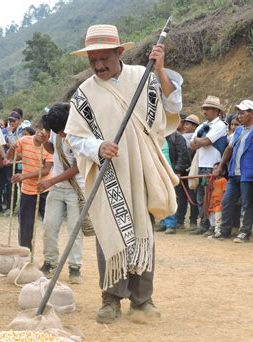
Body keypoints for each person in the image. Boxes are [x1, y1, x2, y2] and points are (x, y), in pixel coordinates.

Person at [65, 24, 182, 324]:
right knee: (110, 232)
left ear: (120, 52)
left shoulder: (144, 77)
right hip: (108, 173)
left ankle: (143, 300)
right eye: (93, 61)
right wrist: (97, 146)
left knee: (142, 232)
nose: (99, 66)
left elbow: (173, 105)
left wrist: (161, 70)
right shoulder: (84, 93)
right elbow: (75, 137)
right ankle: (111, 300)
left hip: (142, 168)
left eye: (105, 58)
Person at [36, 103, 85, 284]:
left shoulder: (81, 135)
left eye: (63, 131)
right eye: (58, 131)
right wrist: (45, 142)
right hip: (57, 188)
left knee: (75, 230)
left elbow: (78, 167)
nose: (61, 134)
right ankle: (49, 262)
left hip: (76, 189)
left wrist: (51, 181)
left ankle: (75, 267)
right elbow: (54, 150)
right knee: (49, 226)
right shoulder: (57, 129)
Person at [215, 99, 253, 243]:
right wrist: (221, 166)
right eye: (238, 113)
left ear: (252, 114)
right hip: (234, 173)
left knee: (247, 204)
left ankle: (244, 233)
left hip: (249, 174)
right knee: (226, 201)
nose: (239, 116)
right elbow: (229, 149)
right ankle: (225, 231)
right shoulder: (238, 130)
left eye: (242, 113)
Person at [8, 118, 53, 250]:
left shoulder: (49, 147)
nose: (42, 133)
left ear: (50, 134)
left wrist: (23, 176)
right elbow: (11, 158)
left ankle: (49, 260)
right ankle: (25, 254)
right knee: (25, 226)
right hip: (27, 191)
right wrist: (12, 149)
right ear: (36, 128)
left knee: (49, 226)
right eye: (40, 129)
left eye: (46, 131)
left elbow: (46, 170)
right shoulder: (24, 141)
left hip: (45, 190)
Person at [190, 96, 228, 235]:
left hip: (214, 165)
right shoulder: (203, 126)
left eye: (208, 108)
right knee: (201, 197)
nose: (205, 111)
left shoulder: (220, 126)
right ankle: (204, 224)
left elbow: (205, 142)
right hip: (201, 164)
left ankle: (212, 226)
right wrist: (200, 140)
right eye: (204, 108)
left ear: (216, 111)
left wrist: (199, 140)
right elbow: (193, 145)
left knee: (213, 197)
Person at [155, 130, 190, 234]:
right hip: (159, 172)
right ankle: (163, 222)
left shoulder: (176, 137)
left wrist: (178, 170)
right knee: (161, 198)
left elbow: (182, 153)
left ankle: (171, 224)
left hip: (171, 173)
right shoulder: (157, 136)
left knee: (171, 197)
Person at [178, 114, 200, 230]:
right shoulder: (181, 136)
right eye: (185, 123)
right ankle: (180, 220)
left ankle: (193, 221)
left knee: (192, 196)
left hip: (191, 170)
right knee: (181, 197)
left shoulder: (194, 138)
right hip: (182, 170)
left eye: (189, 124)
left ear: (195, 126)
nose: (186, 125)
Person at [206, 163, 227, 239]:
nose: (214, 171)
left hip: (219, 204)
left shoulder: (223, 180)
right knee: (212, 220)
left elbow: (225, 192)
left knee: (218, 219)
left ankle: (218, 233)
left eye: (217, 169)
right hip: (212, 204)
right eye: (213, 169)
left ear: (223, 172)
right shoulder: (212, 180)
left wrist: (223, 203)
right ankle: (215, 232)